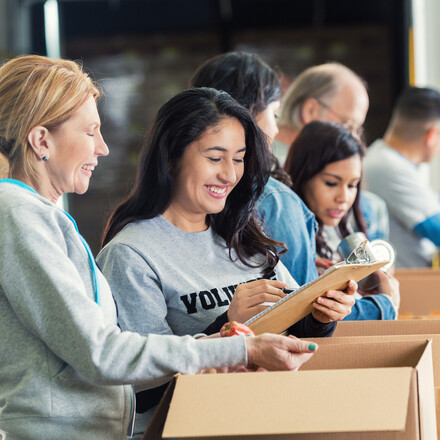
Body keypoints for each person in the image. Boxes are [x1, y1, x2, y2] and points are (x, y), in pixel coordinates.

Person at [0, 55, 320, 440]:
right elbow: (102, 354)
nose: (102, 148)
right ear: (41, 140)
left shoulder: (35, 214)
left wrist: (223, 342)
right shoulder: (17, 214)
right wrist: (238, 349)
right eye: (90, 132)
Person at [97, 87, 356, 436]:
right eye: (215, 158)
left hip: (267, 420)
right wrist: (227, 326)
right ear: (172, 157)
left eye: (239, 158)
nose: (230, 175)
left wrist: (321, 315)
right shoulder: (131, 254)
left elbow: (294, 331)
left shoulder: (243, 234)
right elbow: (142, 389)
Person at [189, 50, 393, 321]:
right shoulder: (275, 198)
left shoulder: (183, 199)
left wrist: (309, 273)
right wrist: (384, 305)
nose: (275, 128)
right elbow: (304, 315)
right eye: (274, 113)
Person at [285, 121, 400, 319]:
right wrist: (384, 304)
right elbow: (305, 315)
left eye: (352, 185)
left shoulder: (341, 228)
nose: (344, 198)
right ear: (303, 175)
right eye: (331, 183)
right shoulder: (286, 232)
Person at [275, 62, 389, 241]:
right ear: (311, 110)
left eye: (351, 185)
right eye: (348, 125)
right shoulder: (271, 170)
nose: (354, 139)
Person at [364, 86, 440, 268]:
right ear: (432, 135)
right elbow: (435, 229)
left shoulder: (391, 161)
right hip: (409, 284)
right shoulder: (387, 166)